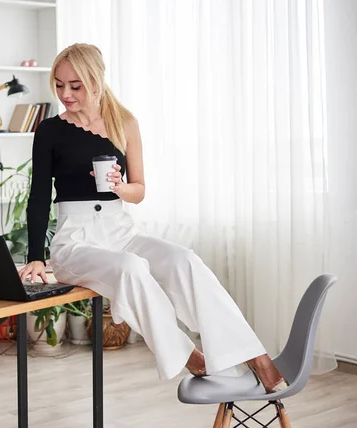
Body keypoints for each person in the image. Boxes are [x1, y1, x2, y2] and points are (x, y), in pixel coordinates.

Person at [17, 43, 288, 392]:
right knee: (130, 267)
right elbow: (39, 196)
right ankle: (189, 356)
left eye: (75, 85)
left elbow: (139, 190)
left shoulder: (124, 123)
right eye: (59, 84)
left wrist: (118, 187)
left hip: (120, 230)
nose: (65, 94)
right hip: (75, 241)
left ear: (96, 82)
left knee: (184, 260)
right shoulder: (50, 130)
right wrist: (36, 257)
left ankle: (255, 355)